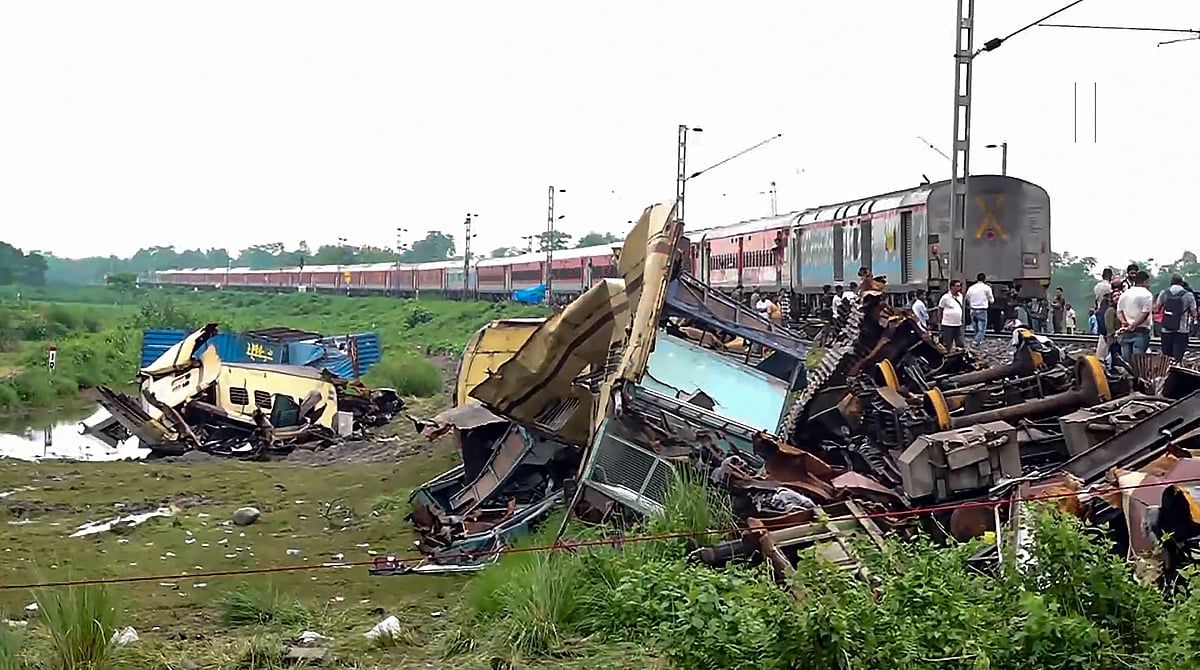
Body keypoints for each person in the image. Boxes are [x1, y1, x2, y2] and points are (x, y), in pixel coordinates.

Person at [1155, 273, 1197, 362]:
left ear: (1171, 282)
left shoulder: (1164, 293)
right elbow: (1194, 313)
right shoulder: (1188, 295)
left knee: (1166, 358)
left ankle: (1166, 374)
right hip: (1181, 330)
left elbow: (1156, 309)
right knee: (1177, 358)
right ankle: (1176, 373)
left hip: (1166, 330)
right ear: (1181, 282)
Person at [1116, 270, 1154, 360]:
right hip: (1140, 330)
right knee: (1138, 361)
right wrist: (1134, 325)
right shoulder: (1147, 295)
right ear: (1145, 281)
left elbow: (1119, 312)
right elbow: (1145, 313)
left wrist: (1124, 322)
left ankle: (1127, 374)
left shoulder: (1125, 294)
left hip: (1126, 331)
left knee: (1126, 360)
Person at [965, 272, 994, 346]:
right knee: (981, 329)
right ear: (984, 279)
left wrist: (971, 302)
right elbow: (991, 300)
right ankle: (976, 341)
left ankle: (977, 340)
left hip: (973, 309)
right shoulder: (986, 288)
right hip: (982, 309)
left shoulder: (971, 288)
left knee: (976, 328)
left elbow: (967, 297)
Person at [938, 280, 966, 351]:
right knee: (947, 343)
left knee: (960, 342)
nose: (959, 288)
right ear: (952, 287)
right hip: (948, 324)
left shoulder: (960, 296)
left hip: (958, 324)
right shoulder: (945, 297)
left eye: (959, 286)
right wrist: (939, 321)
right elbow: (940, 309)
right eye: (957, 286)